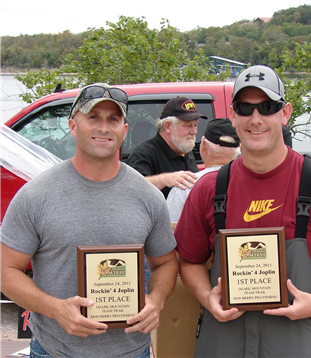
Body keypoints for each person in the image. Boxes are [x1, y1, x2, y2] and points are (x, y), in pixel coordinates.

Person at [174, 65, 311, 357]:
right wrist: (207, 299)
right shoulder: (210, 189)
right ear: (233, 115)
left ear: (285, 113)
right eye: (245, 108)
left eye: (267, 107)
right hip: (224, 344)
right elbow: (189, 261)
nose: (255, 118)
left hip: (300, 344)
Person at [0, 83, 178, 358]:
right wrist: (55, 309)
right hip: (54, 351)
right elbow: (6, 270)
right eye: (93, 117)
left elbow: (165, 262)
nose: (104, 128)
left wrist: (156, 301)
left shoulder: (148, 197)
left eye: (113, 119)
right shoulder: (36, 195)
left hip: (132, 352)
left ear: (125, 130)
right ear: (73, 126)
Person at [126, 96, 208, 198]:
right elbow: (131, 187)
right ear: (168, 126)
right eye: (188, 126)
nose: (194, 132)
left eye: (195, 125)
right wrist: (165, 179)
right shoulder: (144, 154)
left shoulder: (184, 149)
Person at [167, 117, 240, 223]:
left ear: (203, 146)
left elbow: (171, 233)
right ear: (239, 150)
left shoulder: (184, 187)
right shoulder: (251, 184)